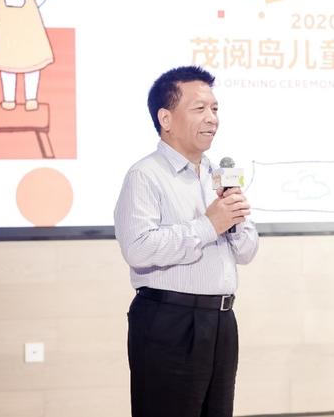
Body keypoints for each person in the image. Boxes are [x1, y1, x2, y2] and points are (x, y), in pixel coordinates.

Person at [114, 65, 259, 417]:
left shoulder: (217, 175)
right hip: (169, 322)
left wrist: (234, 223)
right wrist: (209, 225)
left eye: (215, 108)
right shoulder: (145, 175)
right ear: (166, 118)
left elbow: (247, 252)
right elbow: (138, 248)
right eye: (199, 108)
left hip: (221, 321)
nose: (212, 118)